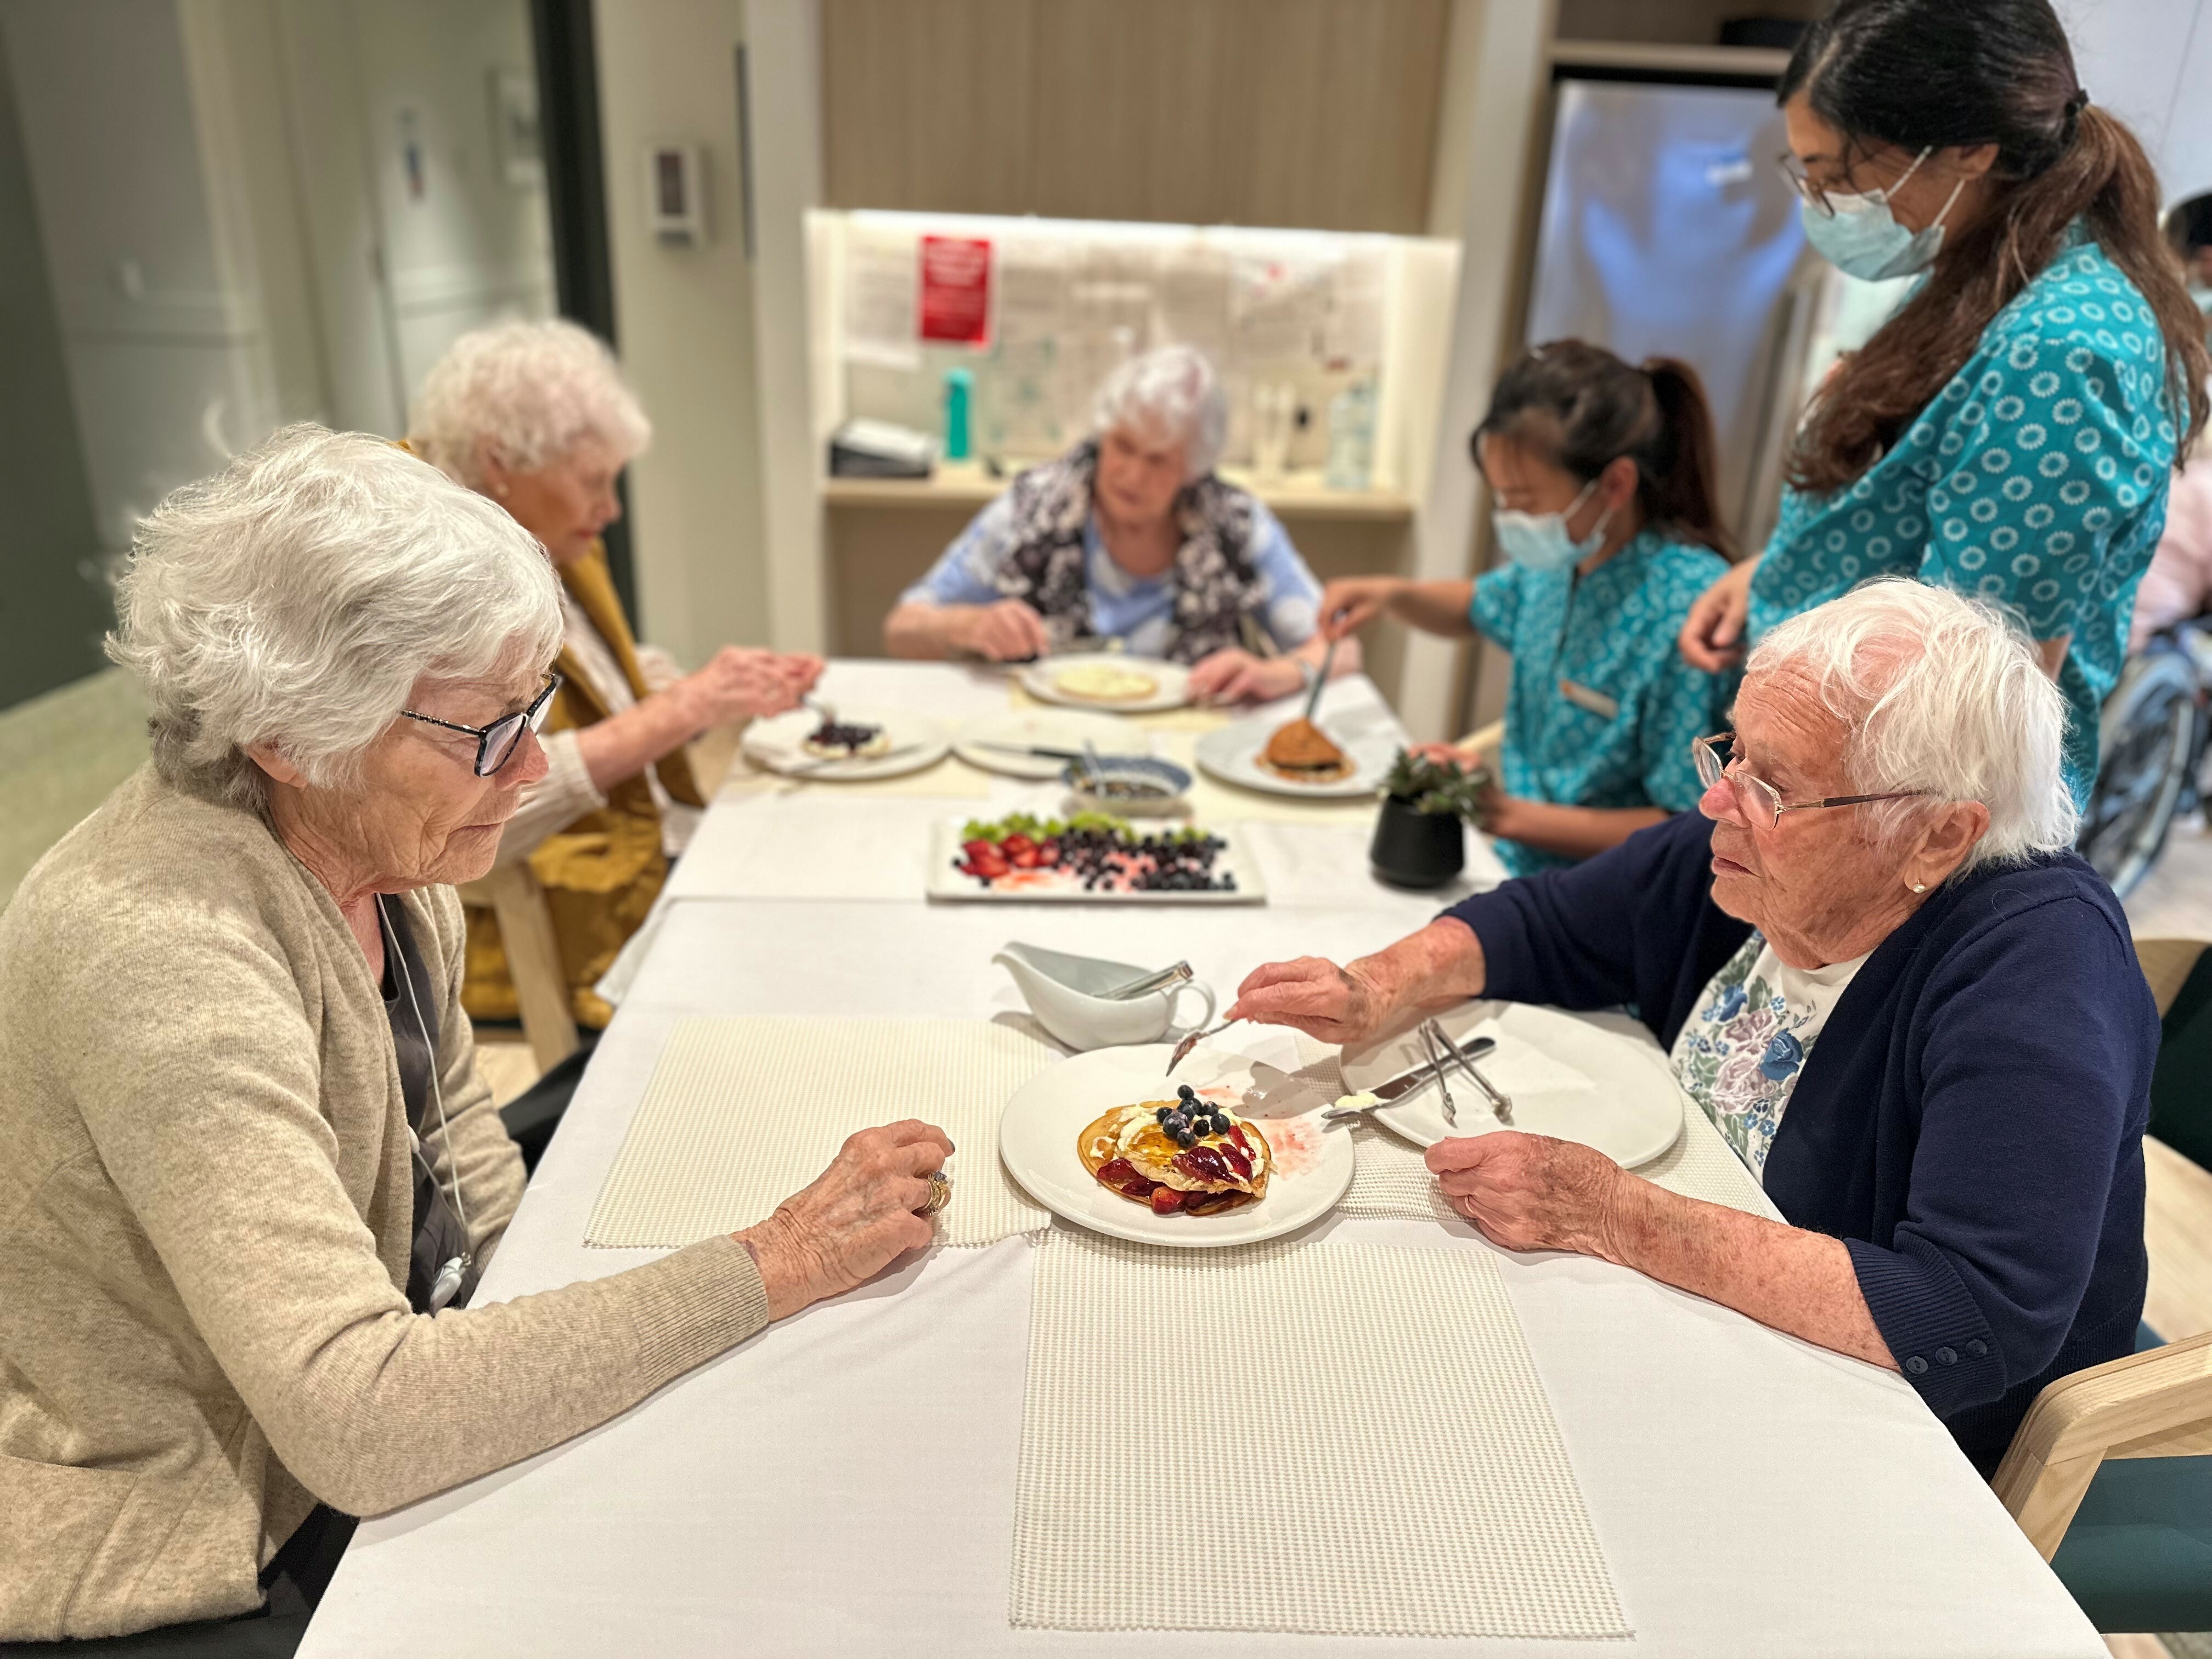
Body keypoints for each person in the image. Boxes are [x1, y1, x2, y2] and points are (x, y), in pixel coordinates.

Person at [0, 427, 952, 1649]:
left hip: (356, 1429)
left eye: (533, 705)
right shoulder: (163, 953)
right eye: (489, 730)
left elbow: (460, 1155)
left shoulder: (392, 856)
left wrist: (558, 1341)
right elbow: (360, 1421)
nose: (535, 765)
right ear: (289, 736)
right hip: (198, 1532)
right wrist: (771, 1261)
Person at [1231, 580, 2153, 1473]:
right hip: (1708, 1323)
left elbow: (1971, 1311)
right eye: (1733, 752)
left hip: (1910, 1440)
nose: (1719, 799)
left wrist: (1615, 1214)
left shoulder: (2037, 965)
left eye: (1773, 783)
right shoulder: (1755, 849)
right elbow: (1546, 922)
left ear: (1938, 837)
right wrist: (1374, 985)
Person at [1677, 0, 2211, 805]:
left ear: (1969, 151)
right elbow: (1922, 496)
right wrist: (1779, 571)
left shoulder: (2060, 353)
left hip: (1886, 811)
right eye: (1806, 172)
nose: (1820, 202)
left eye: (1839, 175)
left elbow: (1978, 699)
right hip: (1834, 772)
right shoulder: (1982, 265)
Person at [408, 319, 823, 1031]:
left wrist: (712, 690)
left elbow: (599, 684)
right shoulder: (434, 593)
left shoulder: (542, 541)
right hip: (547, 929)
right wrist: (680, 709)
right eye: (594, 483)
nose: (612, 508)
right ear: (500, 461)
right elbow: (472, 818)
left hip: (649, 861)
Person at [1320, 342, 1739, 875]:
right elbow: (1478, 605)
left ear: (1614, 484)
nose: (1510, 519)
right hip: (1513, 866)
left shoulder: (1690, 610)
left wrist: (1505, 814)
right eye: (1501, 499)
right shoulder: (1557, 566)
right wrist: (1392, 596)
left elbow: (1682, 824)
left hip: (1610, 895)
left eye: (1525, 501)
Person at [883, 344, 1357, 703]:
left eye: (1158, 461)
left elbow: (1342, 649)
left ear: (1193, 468)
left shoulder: (1234, 522)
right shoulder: (1034, 507)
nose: (1132, 476)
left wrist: (1279, 673)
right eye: (1123, 447)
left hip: (1190, 750)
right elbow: (902, 627)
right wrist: (967, 626)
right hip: (1046, 741)